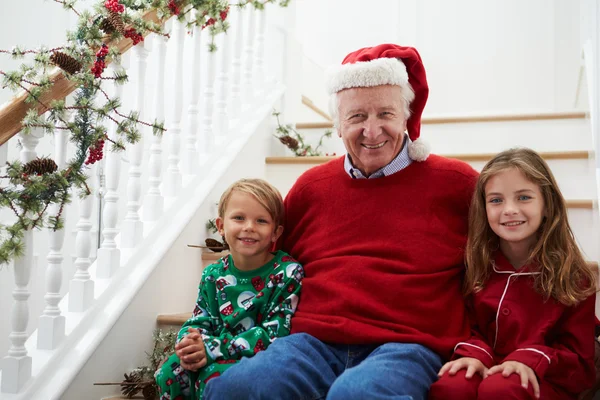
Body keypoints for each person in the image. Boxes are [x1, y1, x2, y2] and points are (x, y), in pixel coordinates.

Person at [203, 44, 479, 399]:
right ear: (337, 124)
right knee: (238, 389)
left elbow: (501, 265)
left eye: (385, 114)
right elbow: (268, 266)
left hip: (407, 343)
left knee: (355, 394)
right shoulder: (311, 188)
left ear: (406, 116)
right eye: (357, 117)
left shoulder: (456, 183)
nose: (372, 129)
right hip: (313, 341)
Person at [428, 148, 597, 400]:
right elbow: (464, 328)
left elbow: (581, 362)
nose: (509, 210)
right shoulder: (474, 268)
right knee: (452, 385)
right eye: (496, 200)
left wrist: (531, 360)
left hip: (544, 380)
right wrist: (475, 355)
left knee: (501, 389)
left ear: (547, 205)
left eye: (524, 197)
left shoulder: (574, 277)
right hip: (483, 365)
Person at [155, 178, 305, 399]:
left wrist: (214, 348)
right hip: (213, 349)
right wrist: (189, 342)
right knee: (170, 371)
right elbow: (199, 321)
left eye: (261, 221)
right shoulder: (213, 274)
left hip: (257, 359)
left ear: (276, 233)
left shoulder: (287, 273)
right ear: (221, 226)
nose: (249, 227)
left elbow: (275, 333)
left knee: (216, 378)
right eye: (239, 218)